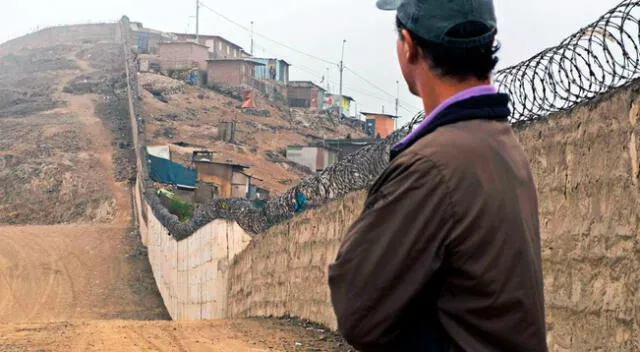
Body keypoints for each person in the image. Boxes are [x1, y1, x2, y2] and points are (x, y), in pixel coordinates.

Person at [328, 0, 548, 351]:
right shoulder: (498, 143)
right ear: (489, 39)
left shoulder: (430, 167)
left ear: (409, 47)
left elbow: (358, 311)